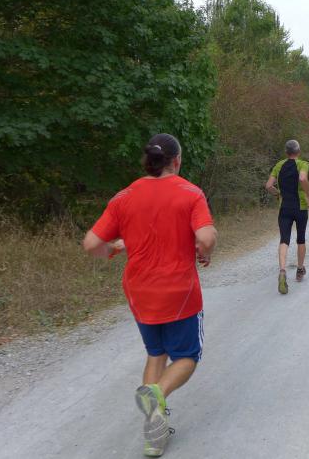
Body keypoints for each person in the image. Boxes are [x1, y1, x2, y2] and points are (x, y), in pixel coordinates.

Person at [83, 133, 217, 457]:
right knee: (187, 356)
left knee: (156, 353)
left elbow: (91, 244)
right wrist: (205, 248)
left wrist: (116, 248)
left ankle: (155, 435)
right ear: (177, 160)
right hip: (179, 293)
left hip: (139, 292)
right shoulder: (190, 193)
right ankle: (156, 393)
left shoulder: (124, 197)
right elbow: (205, 237)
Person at [265, 140, 309, 295]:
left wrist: (278, 193)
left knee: (284, 239)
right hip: (300, 208)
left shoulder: (279, 165)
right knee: (301, 239)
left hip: (284, 208)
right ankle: (300, 269)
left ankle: (282, 270)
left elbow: (268, 186)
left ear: (286, 152)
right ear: (298, 151)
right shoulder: (303, 164)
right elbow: (302, 178)